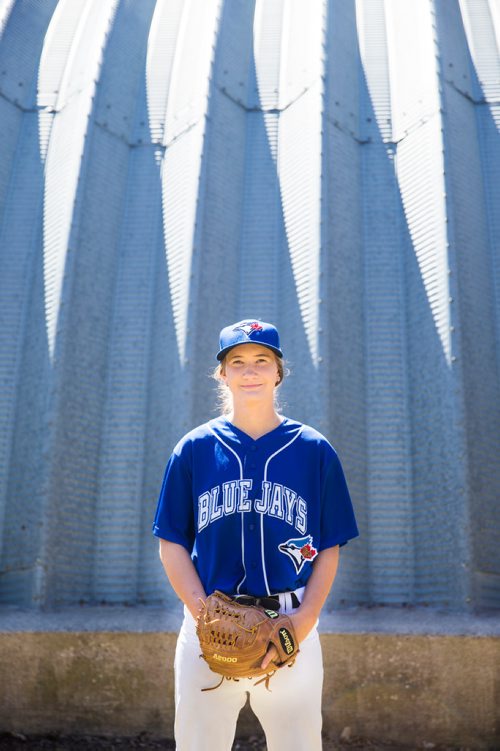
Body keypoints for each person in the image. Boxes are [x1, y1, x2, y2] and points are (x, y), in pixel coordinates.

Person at [152, 319, 359, 751]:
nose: (250, 371)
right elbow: (171, 541)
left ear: (278, 371)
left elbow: (329, 547)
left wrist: (301, 625)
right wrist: (202, 614)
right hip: (208, 621)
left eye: (262, 361)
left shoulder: (313, 450)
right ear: (222, 374)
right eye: (238, 361)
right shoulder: (193, 449)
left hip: (288, 622)